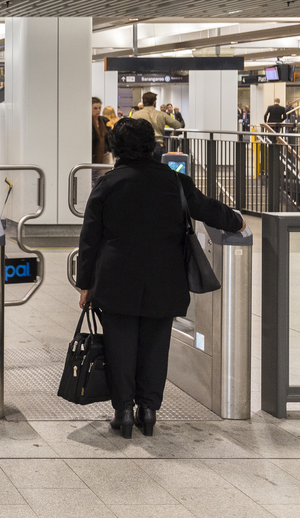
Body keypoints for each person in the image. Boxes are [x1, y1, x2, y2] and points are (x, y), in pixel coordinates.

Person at [77, 117, 244, 438]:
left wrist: (85, 283)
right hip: (165, 279)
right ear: (152, 145)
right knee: (155, 346)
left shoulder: (107, 185)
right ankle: (149, 409)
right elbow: (207, 208)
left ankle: (123, 411)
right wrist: (236, 221)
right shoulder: (174, 181)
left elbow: (90, 239)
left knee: (120, 346)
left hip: (115, 280)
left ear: (115, 149)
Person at [130, 92, 181, 162]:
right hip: (157, 144)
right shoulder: (161, 114)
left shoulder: (136, 115)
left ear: (143, 102)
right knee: (157, 168)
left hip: (141, 145)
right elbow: (177, 125)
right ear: (154, 102)